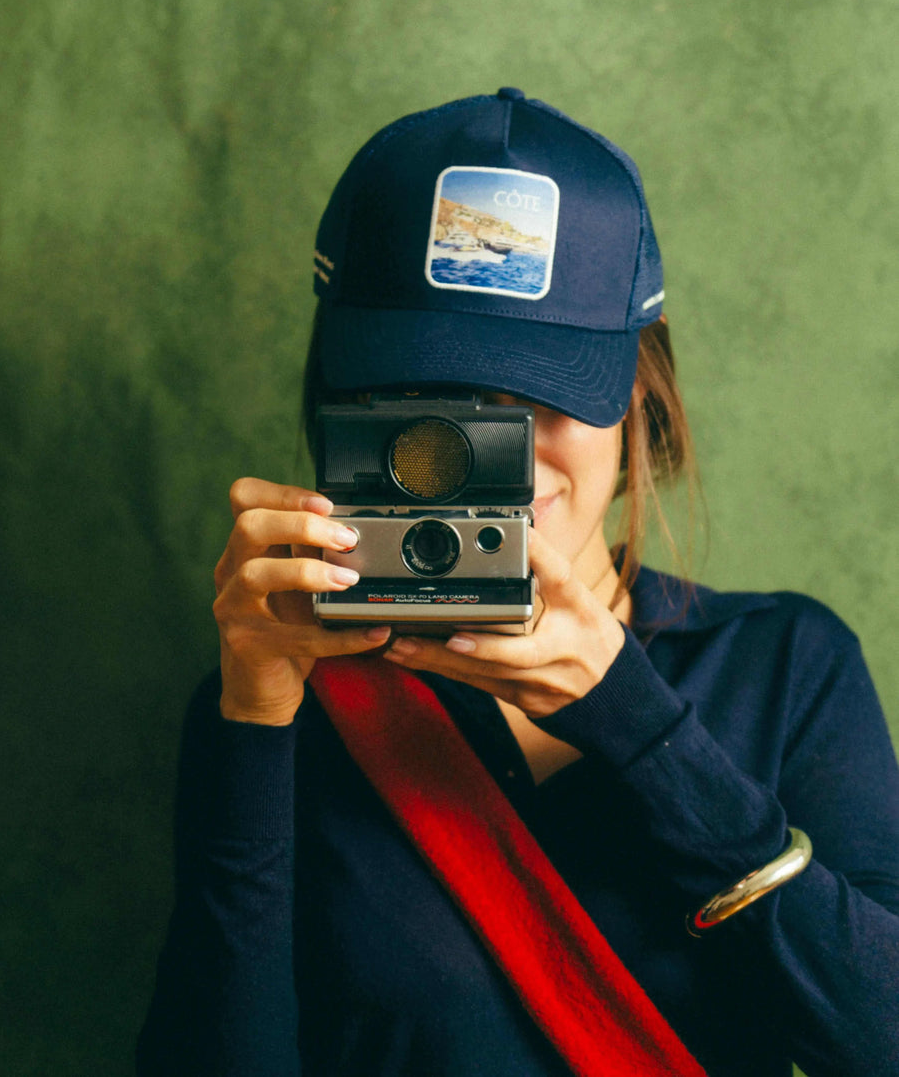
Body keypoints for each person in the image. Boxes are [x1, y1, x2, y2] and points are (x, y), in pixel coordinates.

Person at [137, 89, 899, 1077]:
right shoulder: (278, 706)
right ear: (343, 402)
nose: (492, 452)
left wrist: (638, 723)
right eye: (428, 396)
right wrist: (251, 723)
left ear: (636, 391)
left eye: (543, 392)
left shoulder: (784, 666)